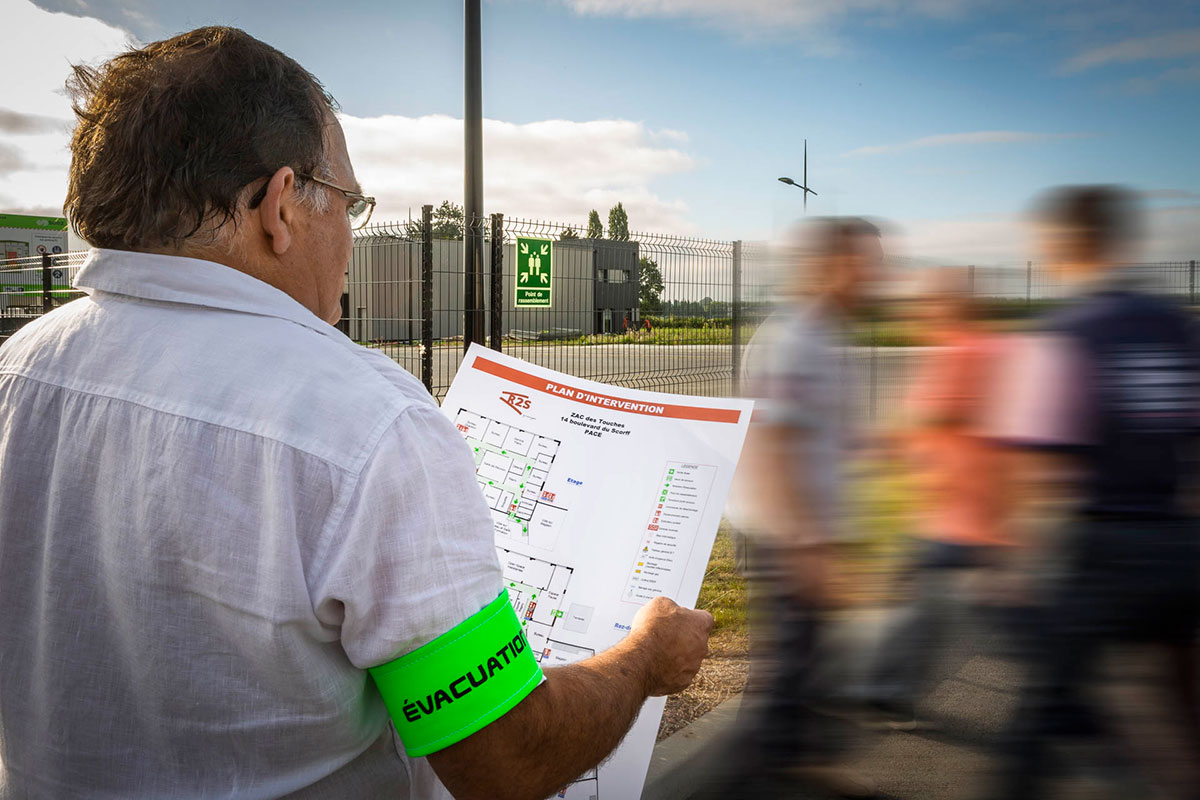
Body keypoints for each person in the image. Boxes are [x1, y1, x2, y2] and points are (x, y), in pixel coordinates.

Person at [0, 27, 712, 800]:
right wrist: (643, 660)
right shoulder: (363, 425)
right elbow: (506, 760)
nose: (348, 236)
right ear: (280, 206)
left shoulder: (16, 371)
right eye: (350, 203)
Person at [988, 185, 1200, 798]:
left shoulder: (1068, 332)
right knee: (1183, 708)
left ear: (1066, 244)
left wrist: (1019, 561)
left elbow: (1038, 461)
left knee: (1046, 708)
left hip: (1101, 548)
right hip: (1178, 541)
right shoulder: (1177, 325)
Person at [722, 217, 885, 797]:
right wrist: (803, 546)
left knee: (806, 656)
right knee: (786, 669)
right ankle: (748, 779)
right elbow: (771, 447)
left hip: (806, 532)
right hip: (783, 535)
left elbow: (819, 434)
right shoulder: (793, 339)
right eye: (866, 261)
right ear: (831, 264)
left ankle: (797, 762)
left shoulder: (823, 334)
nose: (877, 274)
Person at [859, 268, 1012, 729]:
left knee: (931, 608)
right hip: (952, 506)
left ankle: (882, 693)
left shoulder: (966, 349)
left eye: (928, 304)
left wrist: (886, 439)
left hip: (956, 511)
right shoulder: (971, 348)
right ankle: (885, 692)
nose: (917, 312)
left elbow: (937, 413)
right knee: (926, 608)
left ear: (951, 305)